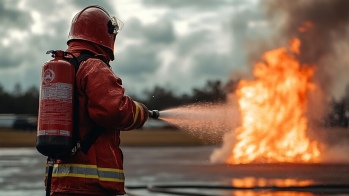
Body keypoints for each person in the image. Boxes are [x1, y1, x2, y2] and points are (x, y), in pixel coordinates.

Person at [46, 5, 149, 196]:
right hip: (91, 185)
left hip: (61, 182)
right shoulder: (93, 66)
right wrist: (141, 112)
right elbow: (114, 110)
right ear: (105, 34)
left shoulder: (64, 67)